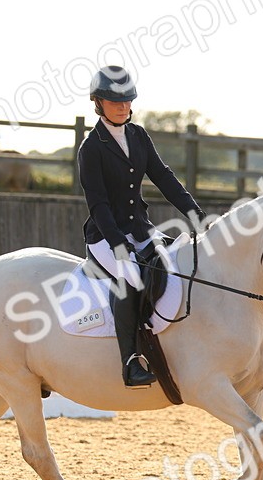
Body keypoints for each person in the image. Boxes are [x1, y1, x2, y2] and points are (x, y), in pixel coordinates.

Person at [77, 65, 206, 389]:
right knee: (132, 279)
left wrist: (194, 212)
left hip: (141, 229)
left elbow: (163, 177)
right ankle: (130, 362)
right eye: (114, 101)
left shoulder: (138, 135)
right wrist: (118, 244)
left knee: (175, 264)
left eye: (127, 100)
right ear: (98, 102)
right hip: (106, 237)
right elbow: (99, 203)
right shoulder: (91, 148)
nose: (123, 106)